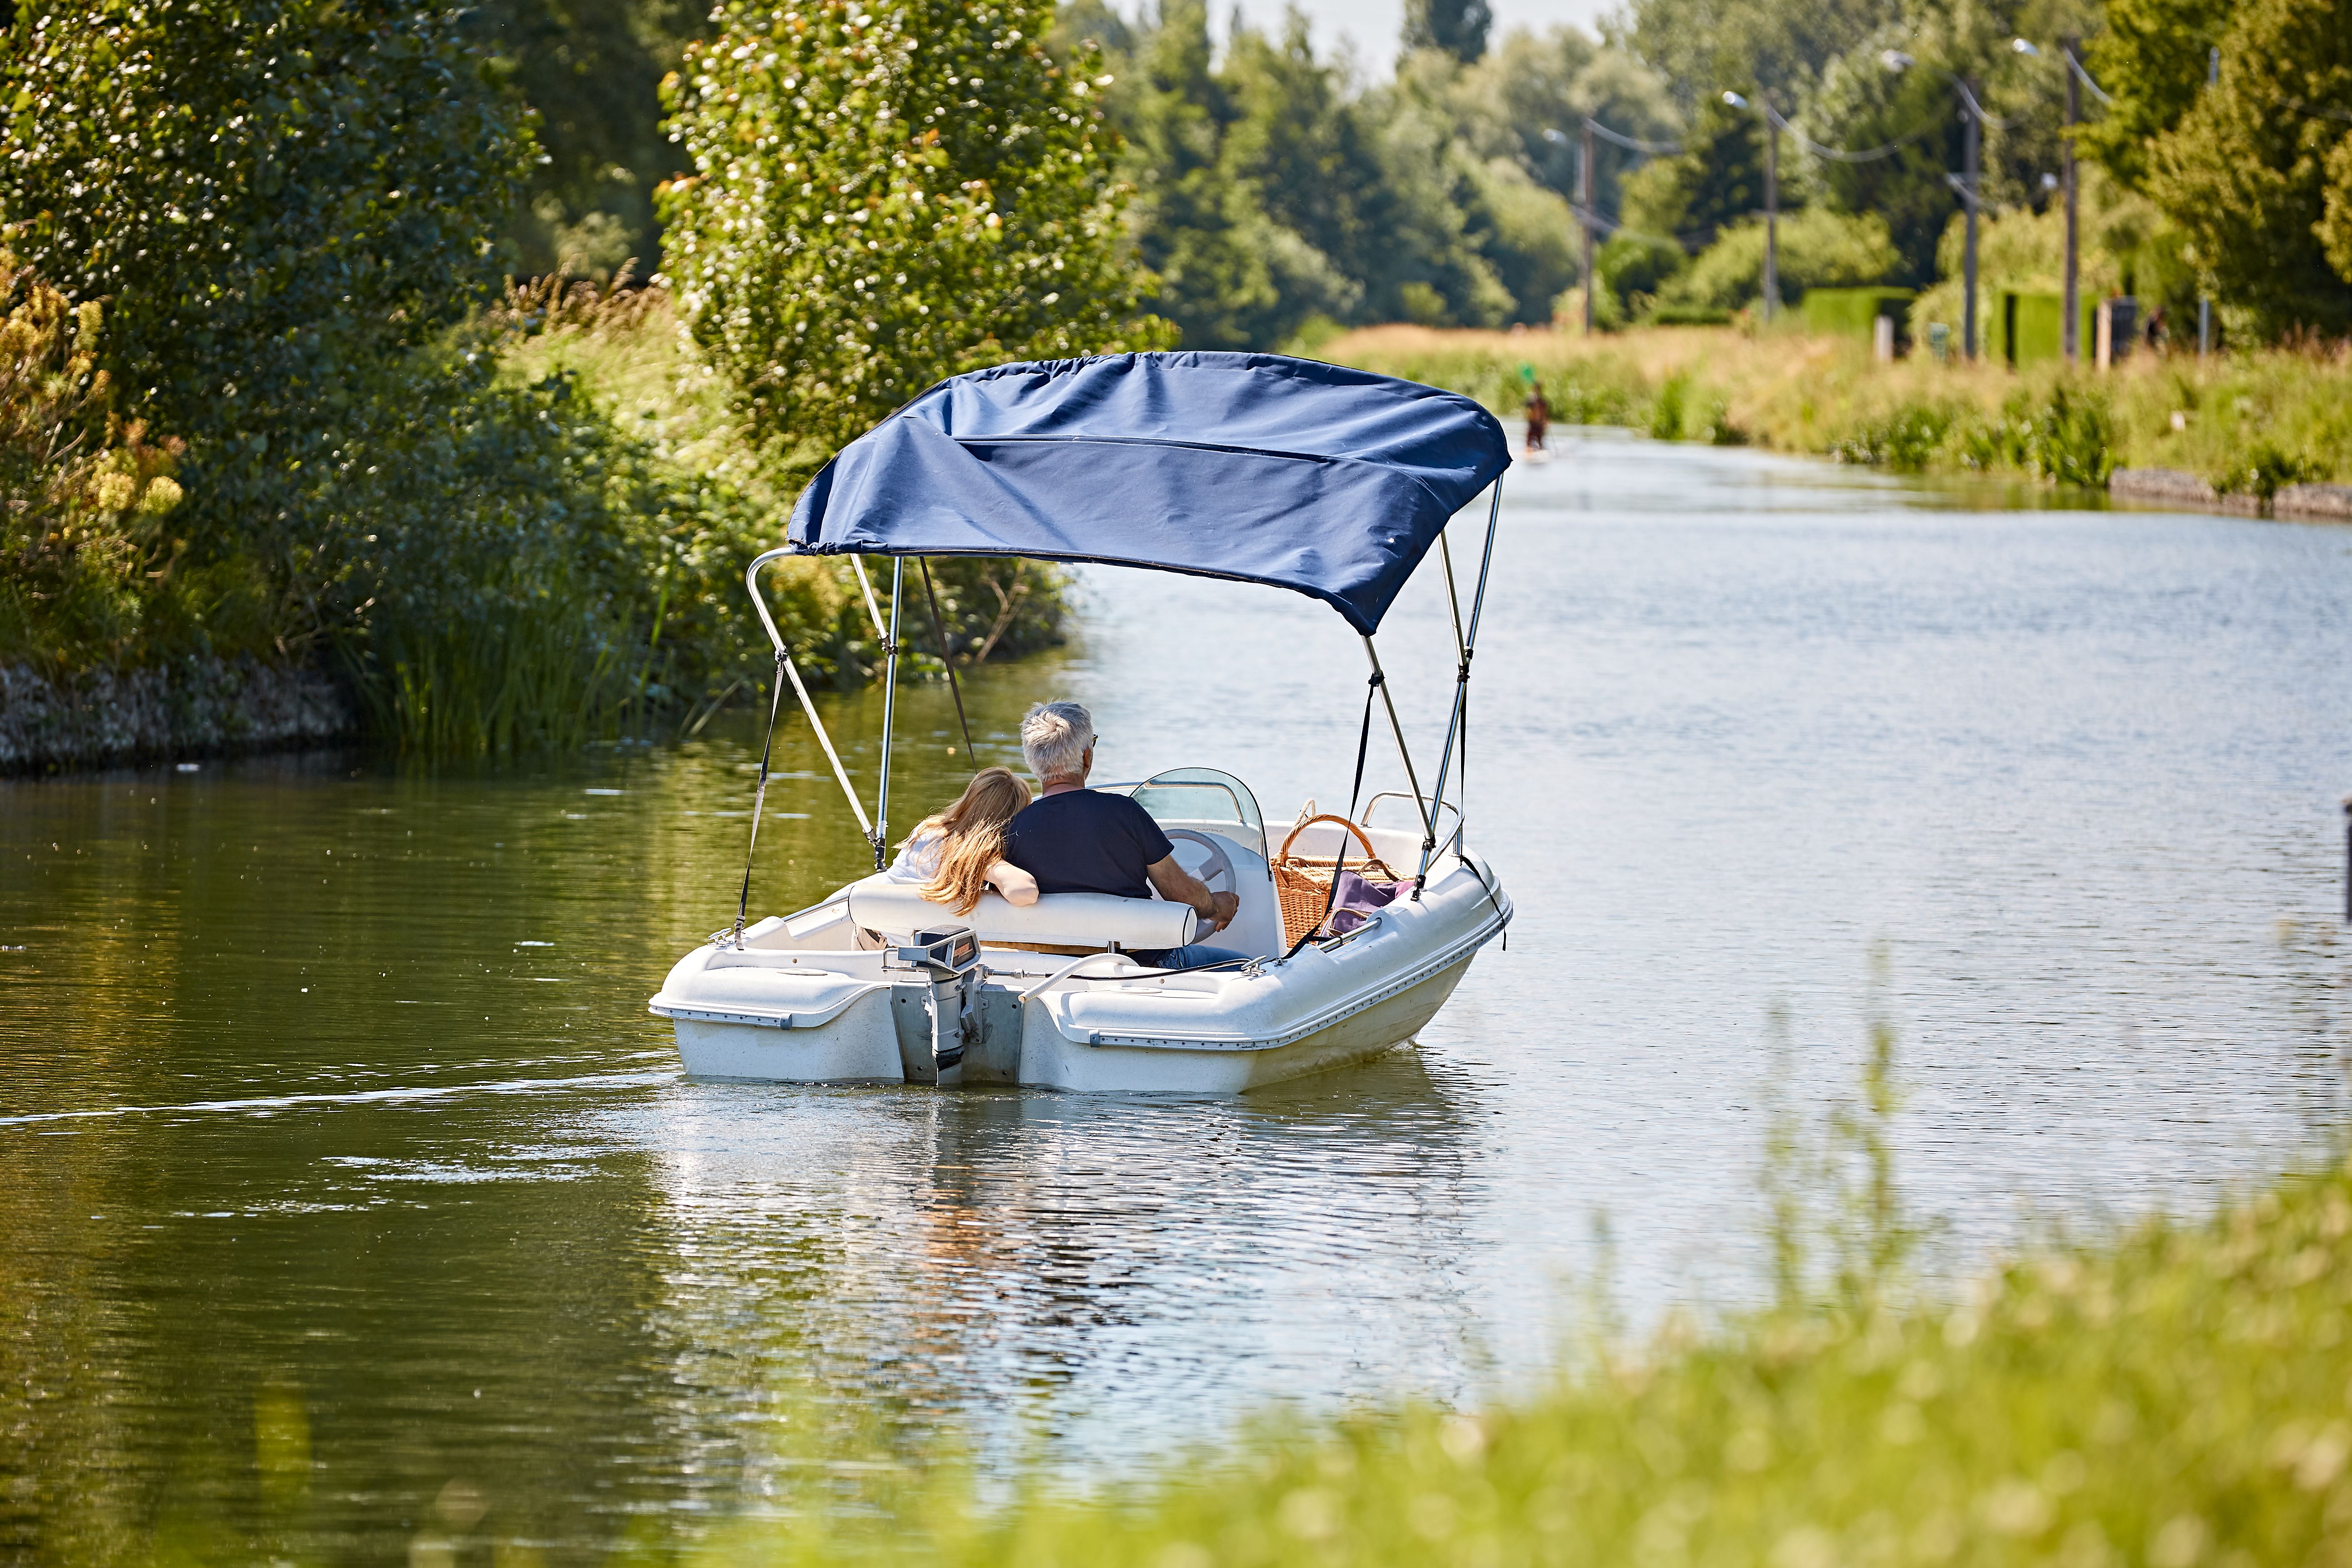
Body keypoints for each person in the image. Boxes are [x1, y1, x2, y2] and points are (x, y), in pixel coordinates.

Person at [1003, 700, 1249, 970]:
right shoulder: (1124, 812)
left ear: (1033, 761)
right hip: (1142, 967)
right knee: (1251, 968)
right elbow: (1182, 895)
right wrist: (1216, 906)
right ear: (1087, 756)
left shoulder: (1014, 826)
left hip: (1054, 973)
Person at [885, 766, 1040, 915]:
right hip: (897, 937)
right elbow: (1026, 891)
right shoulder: (975, 856)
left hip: (874, 929)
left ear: (969, 800)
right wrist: (985, 865)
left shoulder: (927, 829)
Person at [1522, 379, 1551, 454]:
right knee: (1529, 443)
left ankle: (1539, 452)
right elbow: (1526, 412)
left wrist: (1546, 422)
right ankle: (1529, 453)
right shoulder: (1531, 401)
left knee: (1540, 443)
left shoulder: (1543, 402)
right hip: (1532, 424)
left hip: (1539, 425)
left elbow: (1546, 414)